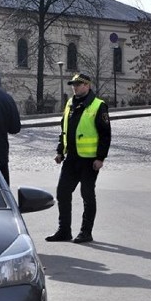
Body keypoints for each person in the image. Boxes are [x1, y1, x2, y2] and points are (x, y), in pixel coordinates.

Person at [46, 72, 111, 244]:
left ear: (87, 85)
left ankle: (86, 232)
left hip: (90, 160)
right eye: (73, 85)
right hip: (72, 158)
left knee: (87, 194)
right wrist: (60, 151)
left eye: (78, 84)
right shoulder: (69, 103)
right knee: (62, 192)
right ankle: (64, 230)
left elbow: (105, 135)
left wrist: (100, 158)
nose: (75, 87)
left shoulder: (98, 106)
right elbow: (64, 130)